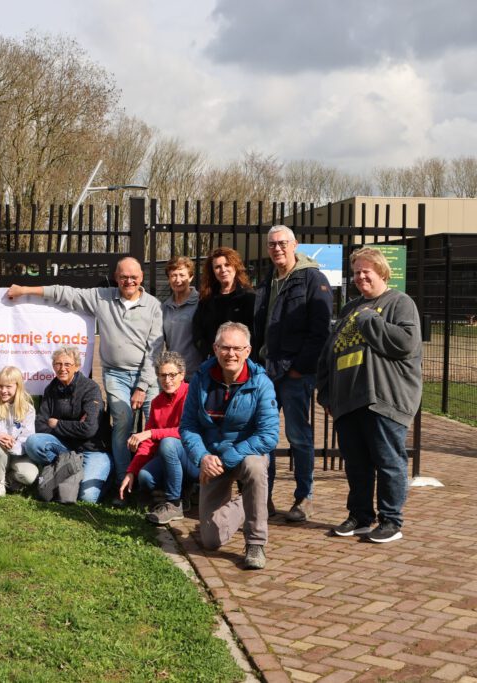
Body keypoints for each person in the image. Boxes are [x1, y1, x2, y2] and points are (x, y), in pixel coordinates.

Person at [7, 257, 163, 495]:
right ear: (116, 278)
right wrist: (24, 290)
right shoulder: (102, 297)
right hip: (116, 374)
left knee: (156, 425)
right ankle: (122, 484)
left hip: (148, 375)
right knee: (122, 422)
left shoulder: (153, 306)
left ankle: (152, 484)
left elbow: (155, 350)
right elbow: (65, 293)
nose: (129, 281)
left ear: (141, 277)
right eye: (123, 277)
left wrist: (142, 386)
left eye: (133, 277)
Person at [317, 247, 422, 544]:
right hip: (349, 401)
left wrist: (368, 320)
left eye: (366, 271)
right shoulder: (350, 308)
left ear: (382, 272)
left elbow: (405, 343)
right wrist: (327, 395)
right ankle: (360, 516)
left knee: (388, 461)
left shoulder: (399, 302)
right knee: (356, 464)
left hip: (383, 398)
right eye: (356, 272)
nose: (360, 277)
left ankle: (391, 520)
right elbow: (330, 353)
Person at [181, 322, 279, 570]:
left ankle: (255, 542)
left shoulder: (261, 383)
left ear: (248, 351)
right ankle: (248, 502)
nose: (231, 354)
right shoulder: (200, 380)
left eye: (237, 348)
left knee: (256, 467)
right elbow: (188, 426)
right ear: (215, 348)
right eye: (225, 347)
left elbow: (268, 436)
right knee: (211, 541)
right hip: (213, 459)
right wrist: (203, 457)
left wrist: (227, 458)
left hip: (246, 453)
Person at [252, 225, 333, 523]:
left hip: (294, 373)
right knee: (265, 436)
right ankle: (264, 497)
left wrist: (300, 368)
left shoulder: (312, 278)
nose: (277, 248)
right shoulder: (267, 280)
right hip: (266, 372)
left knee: (298, 435)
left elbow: (320, 330)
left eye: (282, 243)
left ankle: (303, 497)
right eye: (272, 244)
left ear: (295, 244)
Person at [23, 346, 111, 504]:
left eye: (67, 364)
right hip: (66, 449)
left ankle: (105, 475)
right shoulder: (51, 388)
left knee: (87, 497)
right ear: (53, 366)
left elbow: (89, 429)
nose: (62, 368)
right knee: (33, 442)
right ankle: (68, 470)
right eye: (58, 364)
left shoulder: (90, 388)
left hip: (93, 449)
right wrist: (75, 426)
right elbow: (41, 424)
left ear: (77, 367)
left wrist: (57, 423)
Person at [118, 351, 197, 525]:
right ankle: (181, 493)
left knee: (168, 444)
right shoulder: (157, 402)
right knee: (145, 477)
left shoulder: (191, 394)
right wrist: (132, 471)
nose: (167, 380)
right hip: (171, 458)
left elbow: (186, 431)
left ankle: (174, 503)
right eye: (163, 375)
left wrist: (151, 433)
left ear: (182, 375)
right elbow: (148, 443)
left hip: (195, 460)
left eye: (172, 375)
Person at [0, 366, 37, 497]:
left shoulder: (28, 409)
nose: (3, 391)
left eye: (8, 387)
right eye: (0, 386)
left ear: (18, 387)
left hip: (19, 453)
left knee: (29, 477)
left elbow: (28, 438)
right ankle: (0, 481)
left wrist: (12, 444)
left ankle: (9, 478)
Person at [193, 247, 255, 362]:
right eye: (217, 267)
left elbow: (255, 334)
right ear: (213, 271)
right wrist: (209, 354)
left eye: (227, 265)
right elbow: (197, 332)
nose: (223, 270)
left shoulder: (249, 298)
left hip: (241, 362)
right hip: (213, 361)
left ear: (235, 267)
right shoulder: (206, 300)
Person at [160, 256, 203, 382]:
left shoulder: (201, 303)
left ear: (191, 277)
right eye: (173, 275)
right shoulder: (165, 307)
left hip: (197, 373)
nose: (178, 280)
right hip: (173, 375)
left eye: (182, 275)